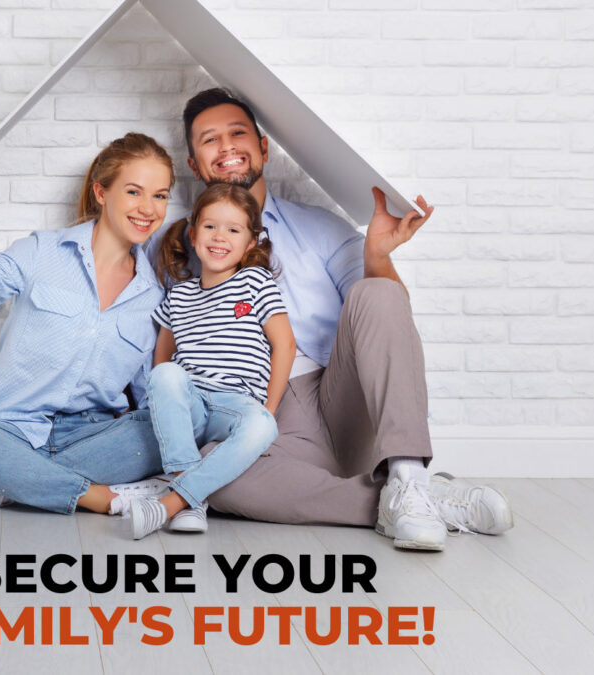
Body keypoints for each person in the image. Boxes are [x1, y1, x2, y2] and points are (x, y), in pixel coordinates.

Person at [135, 88, 513, 550]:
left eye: (238, 134)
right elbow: (156, 342)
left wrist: (376, 255)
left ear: (263, 147)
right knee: (213, 476)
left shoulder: (322, 227)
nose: (228, 147)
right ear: (195, 164)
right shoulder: (179, 249)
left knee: (378, 290)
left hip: (341, 398)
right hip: (258, 413)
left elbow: (388, 315)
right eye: (210, 140)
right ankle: (413, 501)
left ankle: (409, 473)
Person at [0, 132, 177, 516]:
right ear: (101, 193)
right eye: (134, 192)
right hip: (9, 431)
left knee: (163, 429)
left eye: (160, 195)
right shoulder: (41, 252)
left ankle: (1, 486)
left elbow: (147, 399)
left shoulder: (152, 297)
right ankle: (101, 497)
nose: (149, 208)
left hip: (90, 436)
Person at [126, 183, 296, 539]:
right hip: (191, 404)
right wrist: (157, 397)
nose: (220, 237)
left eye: (233, 230)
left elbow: (286, 345)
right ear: (193, 233)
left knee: (264, 426)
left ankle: (172, 503)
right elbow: (163, 355)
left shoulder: (255, 281)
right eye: (210, 226)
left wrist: (269, 406)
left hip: (235, 405)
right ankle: (191, 499)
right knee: (166, 373)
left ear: (250, 242)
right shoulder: (180, 294)